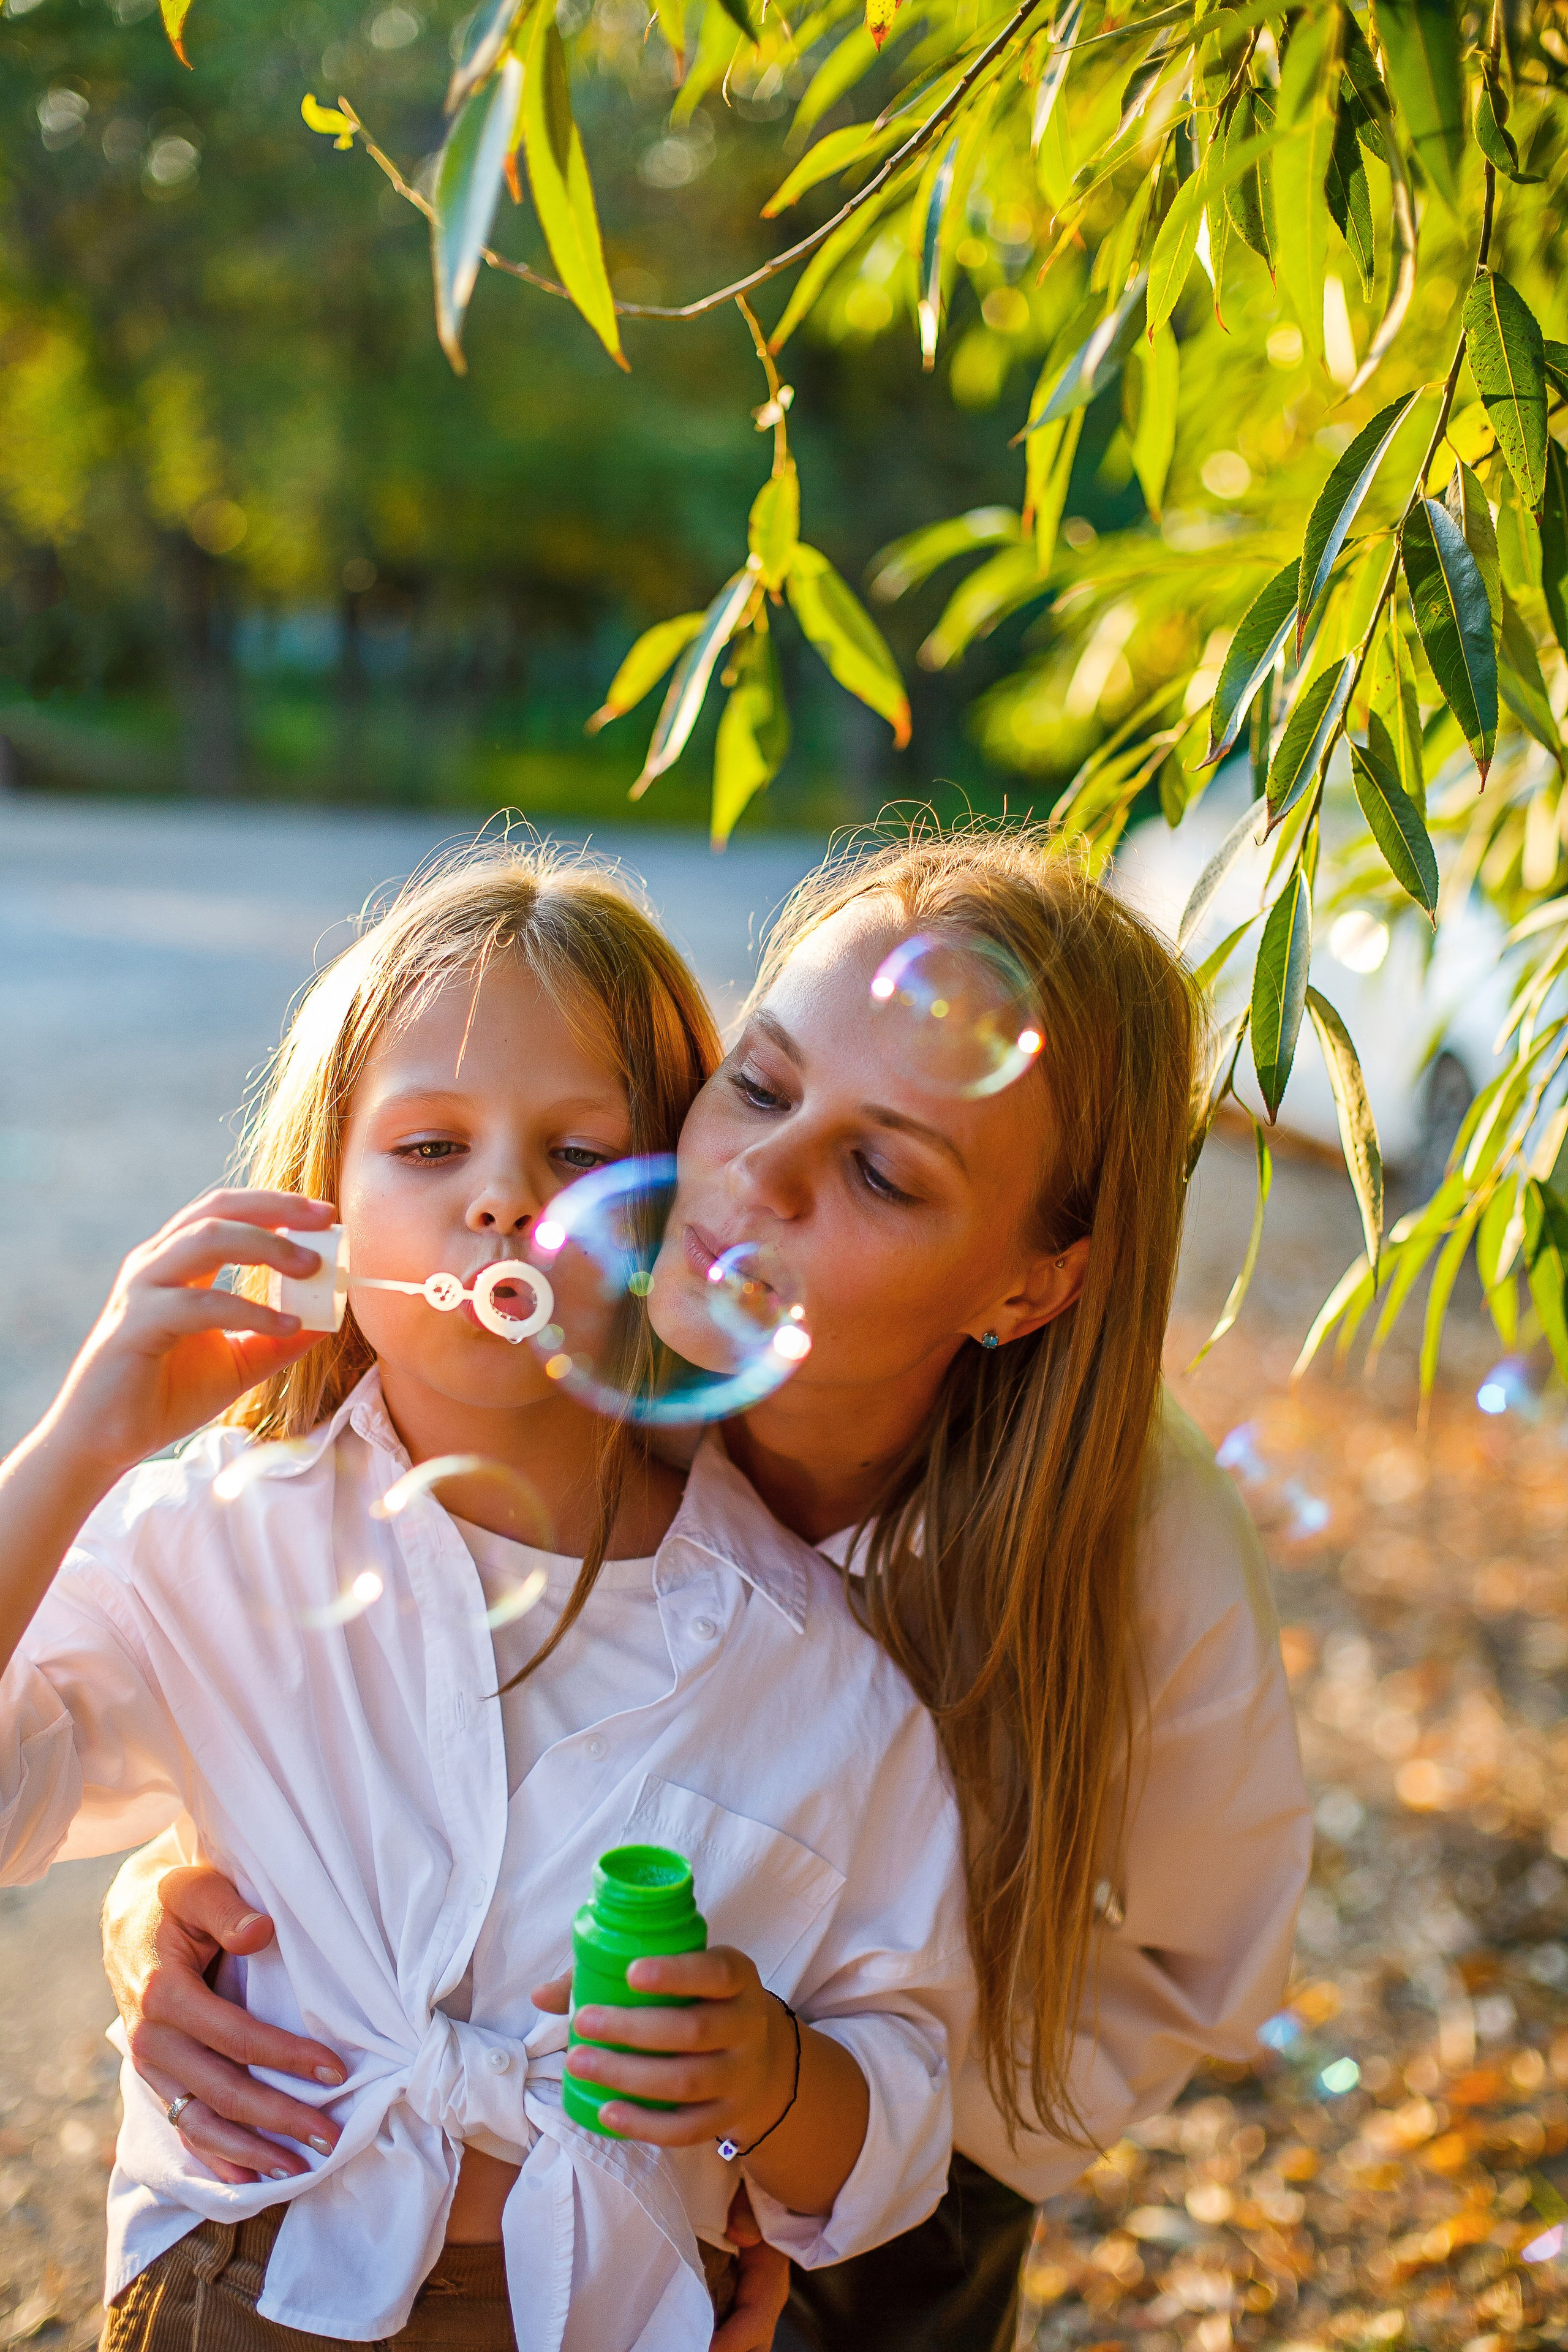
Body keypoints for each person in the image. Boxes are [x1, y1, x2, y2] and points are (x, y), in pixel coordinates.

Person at [101, 824, 1311, 2351]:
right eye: (759, 1083)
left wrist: (823, 2140)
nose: (756, 1178)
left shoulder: (1134, 1531)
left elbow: (1203, 1956)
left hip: (884, 2186)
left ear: (1027, 1285)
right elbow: (377, 1715)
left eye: (879, 1170)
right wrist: (178, 1913)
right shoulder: (568, 1340)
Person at [0, 843, 973, 2352]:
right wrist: (77, 1447)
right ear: (323, 1202)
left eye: (578, 1156)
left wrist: (774, 2083)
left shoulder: (813, 1664)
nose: (502, 1201)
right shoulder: (214, 1542)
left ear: (670, 1221)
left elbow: (899, 2116)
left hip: (602, 2315)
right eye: (430, 1148)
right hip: (245, 2282)